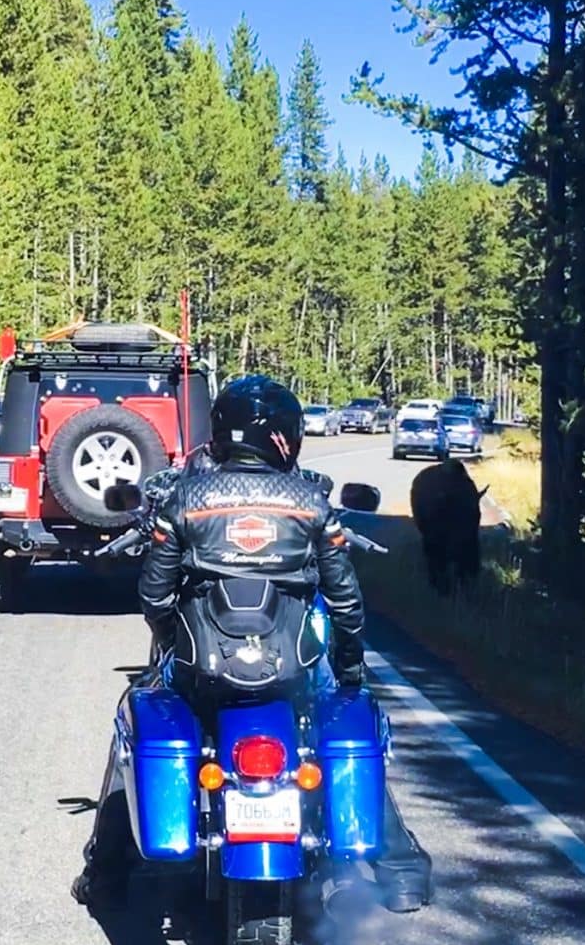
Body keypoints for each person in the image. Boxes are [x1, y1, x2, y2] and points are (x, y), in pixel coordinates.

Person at [72, 374, 433, 913]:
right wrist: (352, 667)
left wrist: (169, 640)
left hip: (204, 671)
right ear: (286, 436)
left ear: (221, 431)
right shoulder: (309, 501)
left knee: (137, 729)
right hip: (291, 671)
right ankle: (401, 872)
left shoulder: (187, 498)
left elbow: (154, 593)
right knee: (342, 723)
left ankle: (104, 874)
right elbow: (346, 602)